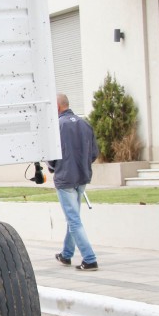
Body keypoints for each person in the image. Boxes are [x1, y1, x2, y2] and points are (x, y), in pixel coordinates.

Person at [48, 93, 100, 270]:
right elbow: (94, 153)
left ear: (57, 107)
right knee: (74, 218)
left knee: (74, 220)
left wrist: (53, 168)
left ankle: (89, 258)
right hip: (82, 177)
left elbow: (51, 157)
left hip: (65, 179)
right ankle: (66, 254)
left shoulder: (57, 127)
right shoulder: (85, 124)